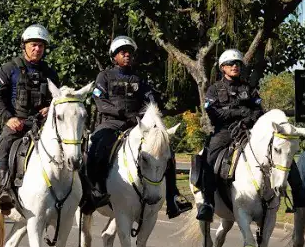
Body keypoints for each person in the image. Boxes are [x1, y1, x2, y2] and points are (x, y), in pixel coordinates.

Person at [83, 35, 192, 218]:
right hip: (111, 123)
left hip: (137, 125)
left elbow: (151, 100)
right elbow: (101, 103)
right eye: (122, 52)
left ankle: (173, 197)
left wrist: (148, 112)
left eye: (130, 53)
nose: (127, 55)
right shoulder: (104, 76)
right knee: (97, 147)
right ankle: (94, 192)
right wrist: (123, 114)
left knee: (166, 151)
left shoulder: (139, 79)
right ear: (114, 56)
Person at [0, 24, 60, 214]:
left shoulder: (50, 73)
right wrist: (8, 118)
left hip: (43, 124)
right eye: (33, 45)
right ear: (24, 46)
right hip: (17, 123)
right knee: (4, 145)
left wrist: (50, 107)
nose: (37, 49)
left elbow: (58, 98)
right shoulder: (9, 69)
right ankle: (3, 188)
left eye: (41, 46)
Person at [192, 49, 264, 222]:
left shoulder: (249, 87)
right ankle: (208, 203)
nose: (235, 66)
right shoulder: (213, 89)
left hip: (248, 130)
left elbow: (259, 110)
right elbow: (214, 114)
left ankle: (292, 195)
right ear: (222, 68)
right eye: (231, 64)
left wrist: (248, 119)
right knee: (209, 160)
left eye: (237, 63)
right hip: (224, 132)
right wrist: (240, 112)